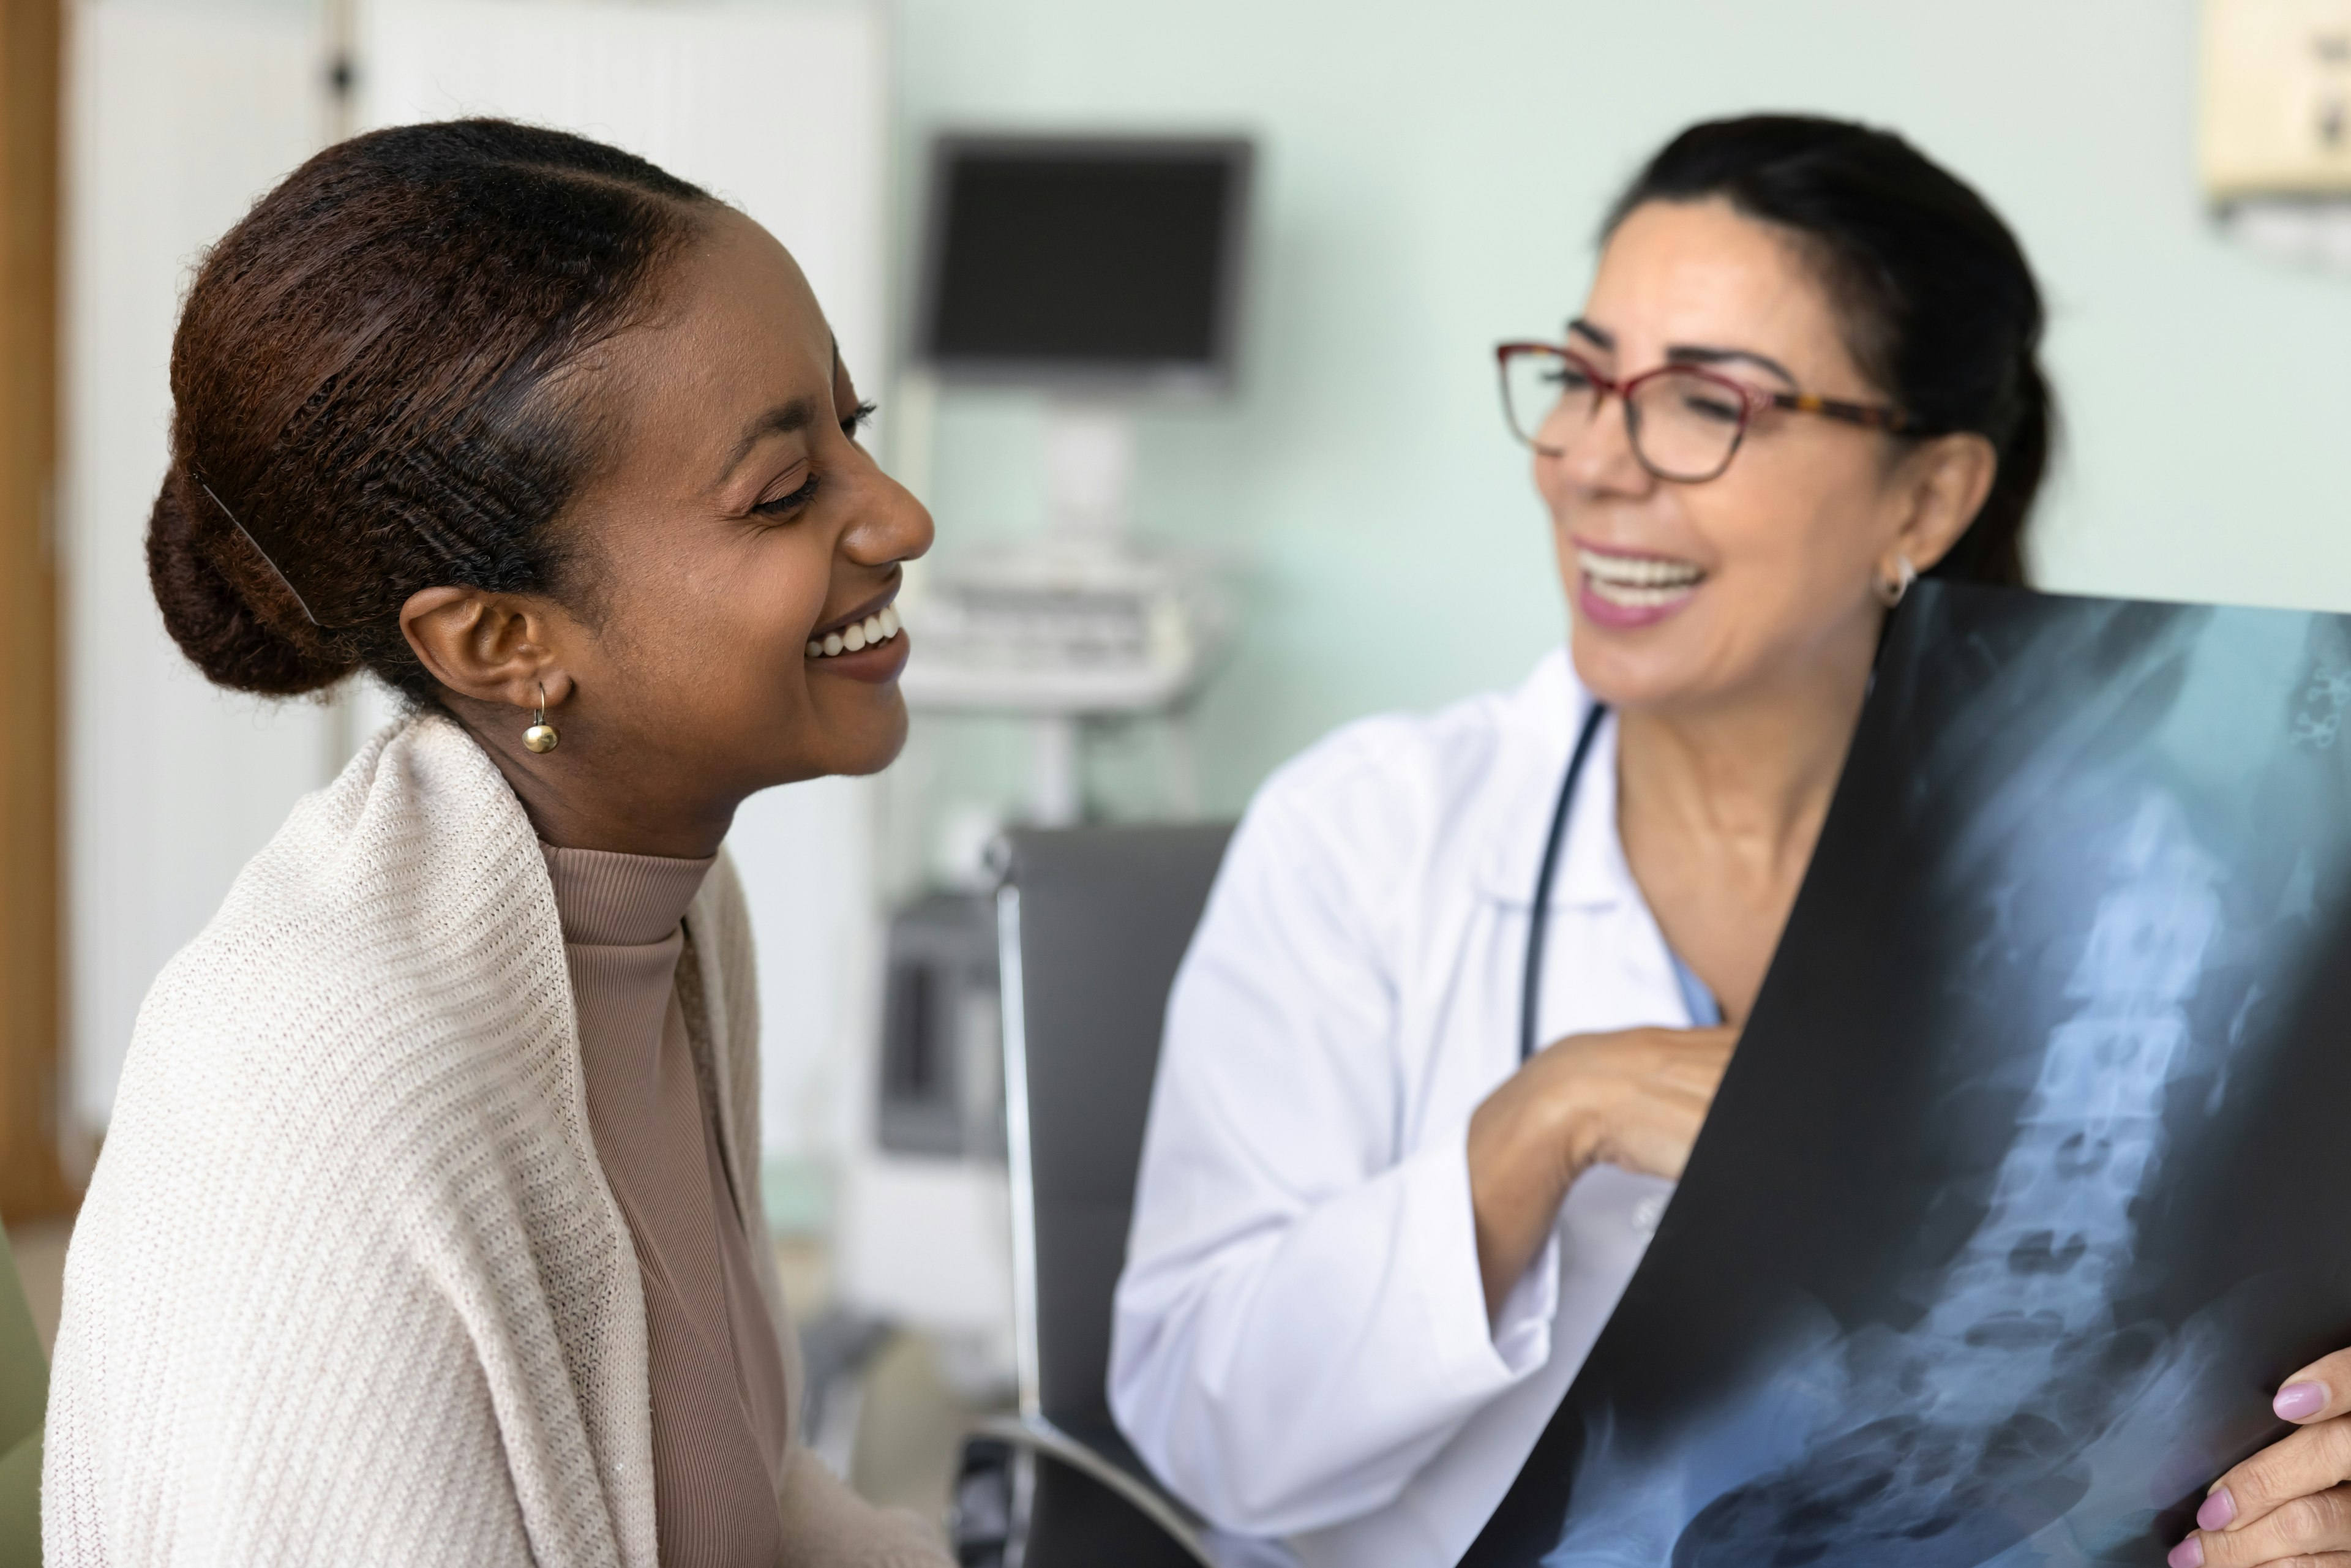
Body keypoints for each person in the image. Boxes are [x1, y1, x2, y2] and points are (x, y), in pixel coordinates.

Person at [1109, 113, 2351, 1568]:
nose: (1589, 463)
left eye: (1705, 403)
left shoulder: (2143, 878)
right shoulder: (1369, 837)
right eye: (1580, 378)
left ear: (1930, 495)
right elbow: (1202, 1435)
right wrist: (1539, 1128)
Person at [44, 121, 950, 1568]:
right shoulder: (320, 1085)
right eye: (785, 492)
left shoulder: (675, 904)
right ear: (502, 642)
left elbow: (731, 1486)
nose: (899, 516)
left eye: (858, 429)